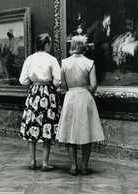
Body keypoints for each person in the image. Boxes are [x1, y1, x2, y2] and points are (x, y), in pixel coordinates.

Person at [57, 35, 105, 175]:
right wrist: (86, 90)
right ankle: (84, 166)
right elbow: (94, 85)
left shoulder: (65, 63)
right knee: (86, 133)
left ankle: (73, 166)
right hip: (85, 97)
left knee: (71, 133)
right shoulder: (89, 63)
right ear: (84, 47)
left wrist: (72, 89)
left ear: (72, 46)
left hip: (70, 97)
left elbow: (63, 86)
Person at [18, 33, 61, 171]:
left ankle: (32, 161)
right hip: (48, 94)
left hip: (33, 93)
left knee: (33, 126)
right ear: (46, 44)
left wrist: (33, 82)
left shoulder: (29, 59)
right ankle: (44, 163)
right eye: (49, 44)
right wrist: (52, 85)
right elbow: (58, 79)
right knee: (47, 126)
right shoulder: (52, 59)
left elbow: (23, 80)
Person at [87, 12, 112, 82]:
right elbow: (89, 31)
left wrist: (108, 34)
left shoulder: (108, 28)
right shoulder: (97, 24)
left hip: (101, 45)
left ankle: (105, 70)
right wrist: (89, 42)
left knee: (107, 46)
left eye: (110, 21)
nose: (109, 22)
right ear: (105, 19)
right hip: (94, 43)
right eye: (108, 20)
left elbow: (107, 41)